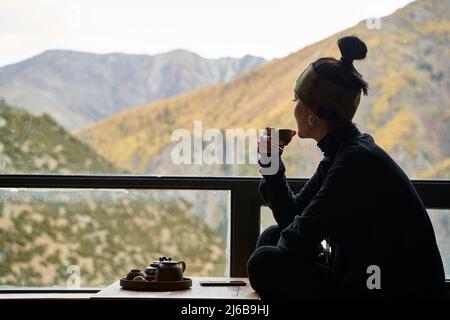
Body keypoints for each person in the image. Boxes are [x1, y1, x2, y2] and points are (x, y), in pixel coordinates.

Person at [247, 36, 446, 300]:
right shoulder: (344, 152)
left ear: (312, 115)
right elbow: (292, 217)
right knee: (271, 238)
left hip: (391, 296)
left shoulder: (355, 163)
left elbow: (296, 237)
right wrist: (270, 162)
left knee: (263, 261)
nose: (292, 107)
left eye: (296, 100)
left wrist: (297, 247)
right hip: (363, 278)